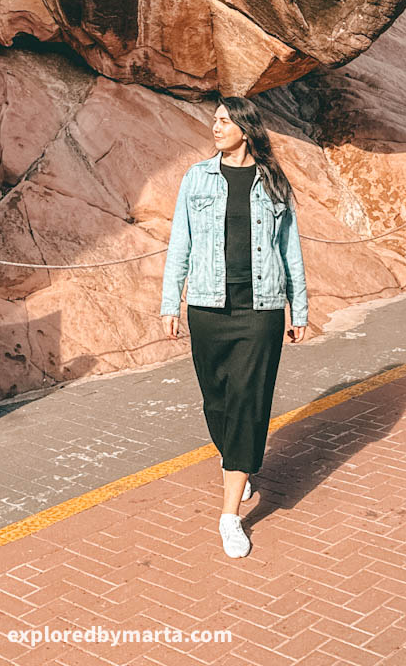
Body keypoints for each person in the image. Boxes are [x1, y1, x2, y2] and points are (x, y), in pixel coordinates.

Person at [159, 95, 308, 558]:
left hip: (260, 311)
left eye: (224, 120)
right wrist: (171, 302)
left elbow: (290, 249)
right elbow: (179, 242)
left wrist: (297, 308)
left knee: (248, 401)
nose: (215, 126)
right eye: (215, 119)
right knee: (217, 401)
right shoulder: (196, 178)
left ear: (245, 128)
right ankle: (236, 461)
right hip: (208, 307)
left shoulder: (273, 182)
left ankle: (229, 516)